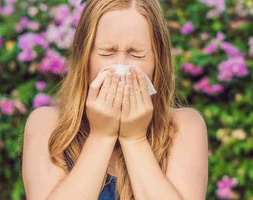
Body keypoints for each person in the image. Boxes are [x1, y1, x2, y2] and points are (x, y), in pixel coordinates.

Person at [21, 0, 208, 199]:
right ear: (85, 58)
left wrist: (134, 139)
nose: (120, 68)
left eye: (136, 54)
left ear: (157, 61)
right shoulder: (47, 126)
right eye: (106, 53)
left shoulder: (184, 128)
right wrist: (101, 136)